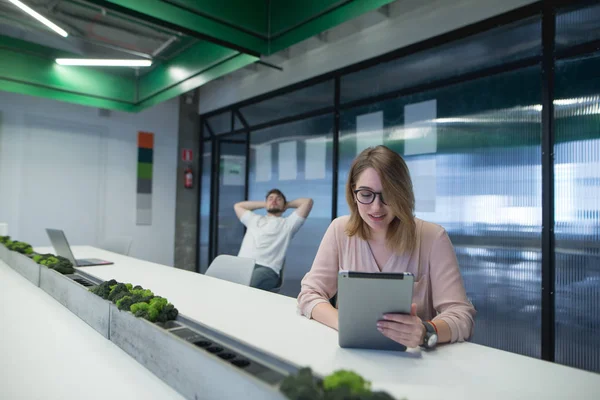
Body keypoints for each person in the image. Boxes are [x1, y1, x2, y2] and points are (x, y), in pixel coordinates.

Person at [297, 145, 475, 349]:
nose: (376, 207)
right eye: (366, 194)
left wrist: (426, 331)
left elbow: (462, 315)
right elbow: (309, 293)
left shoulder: (433, 237)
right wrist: (343, 323)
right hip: (352, 354)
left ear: (402, 194)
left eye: (387, 195)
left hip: (414, 363)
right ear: (353, 193)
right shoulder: (340, 230)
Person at [234, 189, 313, 291]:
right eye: (270, 198)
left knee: (244, 288)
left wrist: (286, 205)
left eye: (278, 199)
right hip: (241, 264)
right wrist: (266, 204)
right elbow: (238, 206)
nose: (274, 201)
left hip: (266, 268)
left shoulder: (288, 224)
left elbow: (307, 202)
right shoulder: (254, 219)